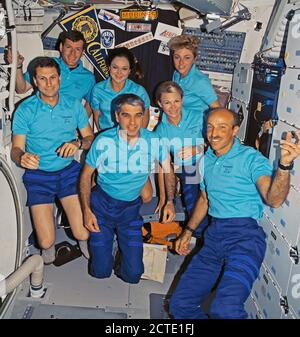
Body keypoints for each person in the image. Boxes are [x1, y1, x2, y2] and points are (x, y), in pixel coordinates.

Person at [169, 108, 300, 319]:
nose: (214, 133)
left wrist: (284, 165)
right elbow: (204, 198)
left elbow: (273, 198)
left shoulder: (250, 158)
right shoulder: (207, 160)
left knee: (225, 309)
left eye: (222, 127)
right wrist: (188, 231)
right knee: (179, 305)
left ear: (235, 130)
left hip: (244, 239)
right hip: (214, 238)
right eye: (210, 127)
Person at [79, 94, 176, 284]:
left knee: (133, 275)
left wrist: (170, 201)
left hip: (130, 211)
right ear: (117, 116)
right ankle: (108, 251)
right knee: (100, 272)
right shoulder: (103, 141)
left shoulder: (153, 141)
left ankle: (118, 256)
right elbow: (85, 176)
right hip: (102, 207)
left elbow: (168, 171)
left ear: (143, 116)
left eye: (138, 115)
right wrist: (86, 211)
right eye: (126, 115)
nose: (132, 122)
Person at [11, 57, 94, 264]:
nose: (49, 83)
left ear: (60, 79)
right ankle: (44, 257)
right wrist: (22, 157)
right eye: (43, 78)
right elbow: (16, 149)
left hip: (68, 172)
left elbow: (90, 138)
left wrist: (77, 143)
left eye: (53, 78)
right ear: (35, 81)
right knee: (46, 242)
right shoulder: (25, 109)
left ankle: (87, 246)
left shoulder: (74, 105)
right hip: (38, 176)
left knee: (82, 234)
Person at [154, 81, 207, 235]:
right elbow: (163, 166)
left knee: (214, 199)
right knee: (193, 203)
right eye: (167, 102)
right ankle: (199, 235)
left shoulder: (198, 116)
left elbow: (216, 141)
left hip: (207, 162)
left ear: (182, 100)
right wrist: (165, 199)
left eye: (176, 101)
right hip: (186, 169)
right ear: (160, 104)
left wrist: (197, 147)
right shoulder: (161, 130)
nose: (173, 107)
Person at [7, 30, 96, 116]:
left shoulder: (88, 77)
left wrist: (80, 125)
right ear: (61, 47)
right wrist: (18, 66)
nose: (72, 53)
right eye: (68, 47)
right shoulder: (46, 64)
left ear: (83, 52)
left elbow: (90, 104)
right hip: (39, 117)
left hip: (66, 124)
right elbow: (21, 89)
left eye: (77, 49)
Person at [91, 47, 150, 132]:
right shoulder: (98, 89)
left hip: (132, 139)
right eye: (115, 67)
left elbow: (144, 123)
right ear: (109, 67)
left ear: (129, 70)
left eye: (124, 69)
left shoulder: (139, 91)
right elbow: (97, 118)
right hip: (107, 138)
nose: (119, 72)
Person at [168, 35, 220, 114]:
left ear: (194, 59)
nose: (181, 63)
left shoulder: (200, 81)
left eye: (187, 58)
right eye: (177, 57)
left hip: (197, 125)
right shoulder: (176, 74)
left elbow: (217, 109)